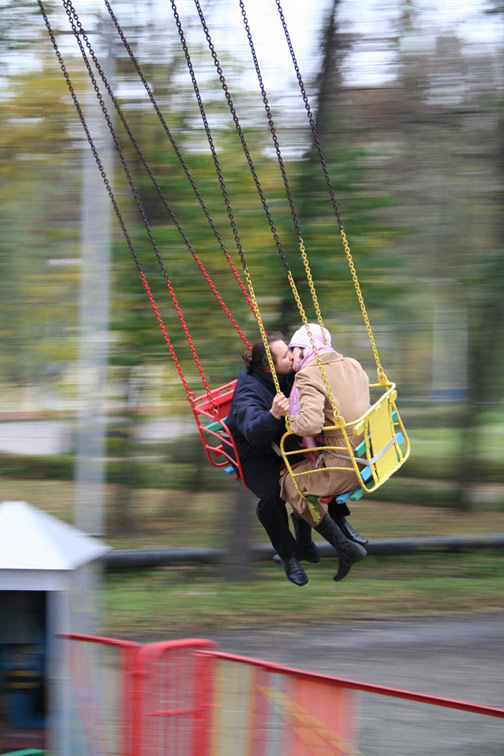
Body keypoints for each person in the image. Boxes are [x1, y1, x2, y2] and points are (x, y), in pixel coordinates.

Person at [226, 332, 318, 586]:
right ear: (269, 366)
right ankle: (289, 556)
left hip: (280, 440)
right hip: (253, 450)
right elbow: (253, 433)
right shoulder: (249, 393)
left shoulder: (285, 374)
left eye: (290, 351)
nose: (292, 357)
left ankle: (305, 542)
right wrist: (273, 414)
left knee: (310, 476)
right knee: (271, 496)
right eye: (287, 355)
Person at [280, 323, 370, 581]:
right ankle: (308, 546)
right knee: (298, 477)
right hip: (367, 455)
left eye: (292, 350)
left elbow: (309, 424)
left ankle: (345, 548)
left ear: (301, 348)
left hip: (343, 463)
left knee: (288, 482)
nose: (291, 356)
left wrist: (289, 419)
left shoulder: (308, 374)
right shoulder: (352, 364)